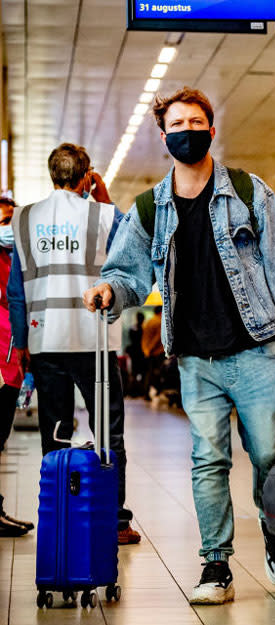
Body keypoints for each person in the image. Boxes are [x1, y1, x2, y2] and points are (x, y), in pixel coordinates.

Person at [83, 87, 275, 605]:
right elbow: (127, 273)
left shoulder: (248, 192)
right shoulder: (151, 207)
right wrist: (110, 289)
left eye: (197, 122)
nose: (187, 131)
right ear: (164, 135)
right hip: (195, 358)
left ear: (212, 131)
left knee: (266, 453)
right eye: (177, 124)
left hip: (255, 349)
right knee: (207, 460)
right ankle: (216, 564)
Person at [7, 143, 140, 545]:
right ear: (85, 177)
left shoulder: (24, 218)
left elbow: (16, 289)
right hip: (93, 340)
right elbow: (130, 249)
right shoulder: (102, 214)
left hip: (45, 339)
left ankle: (60, 512)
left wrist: (23, 340)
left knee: (56, 431)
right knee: (109, 432)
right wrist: (101, 195)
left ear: (52, 175)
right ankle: (115, 521)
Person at [0, 195, 33, 537]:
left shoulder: (15, 258)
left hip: (10, 361)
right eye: (2, 222)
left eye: (11, 220)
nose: (8, 228)